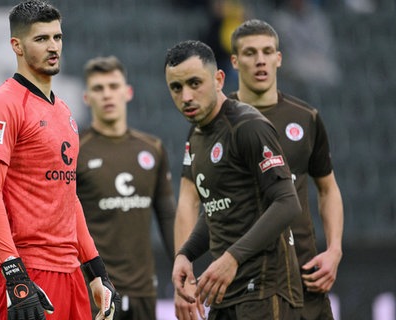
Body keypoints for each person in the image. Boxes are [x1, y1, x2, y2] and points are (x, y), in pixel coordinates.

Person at [0, 1, 119, 320]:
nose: (53, 47)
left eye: (57, 37)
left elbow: (68, 196)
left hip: (69, 271)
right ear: (17, 46)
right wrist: (14, 274)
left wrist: (96, 270)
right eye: (41, 39)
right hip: (27, 270)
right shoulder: (2, 106)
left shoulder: (63, 111)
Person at [165, 40, 303, 320]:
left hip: (265, 290)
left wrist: (232, 257)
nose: (186, 96)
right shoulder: (197, 136)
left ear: (219, 79)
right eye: (176, 88)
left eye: (195, 83)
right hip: (225, 291)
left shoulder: (248, 126)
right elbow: (217, 207)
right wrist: (186, 254)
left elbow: (288, 202)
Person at [228, 19, 344, 320]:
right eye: (250, 53)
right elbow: (190, 197)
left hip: (305, 275)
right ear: (235, 61)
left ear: (279, 59)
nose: (260, 60)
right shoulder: (217, 121)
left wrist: (334, 250)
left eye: (268, 51)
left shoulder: (306, 117)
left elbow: (328, 188)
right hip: (245, 280)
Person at [77, 55, 176, 319]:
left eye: (113, 86)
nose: (107, 94)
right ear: (87, 97)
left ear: (128, 92)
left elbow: (167, 215)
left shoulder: (152, 148)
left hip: (145, 290)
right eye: (98, 88)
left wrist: (182, 266)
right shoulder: (75, 151)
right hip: (97, 290)